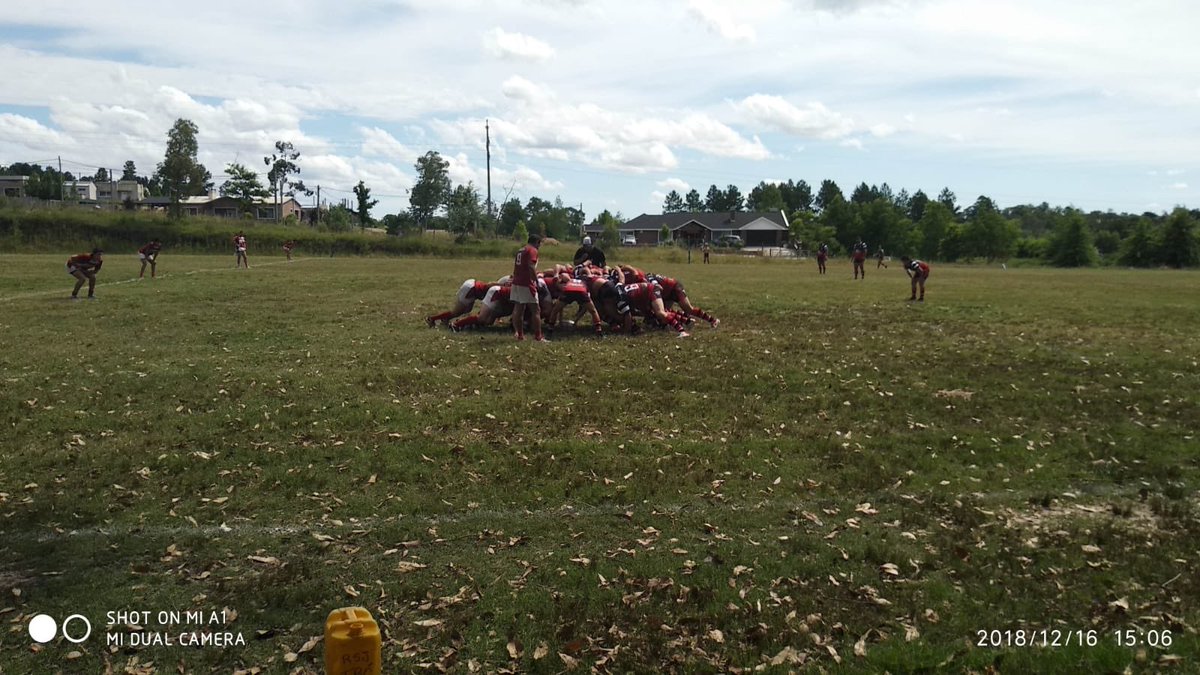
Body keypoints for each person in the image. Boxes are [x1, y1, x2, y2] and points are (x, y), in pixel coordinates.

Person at [511, 234, 546, 341]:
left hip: (516, 281)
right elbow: (531, 266)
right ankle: (538, 337)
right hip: (526, 283)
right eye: (539, 243)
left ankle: (520, 335)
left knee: (519, 309)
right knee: (536, 310)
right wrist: (536, 281)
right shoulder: (532, 250)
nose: (539, 246)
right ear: (537, 242)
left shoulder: (521, 250)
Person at [649, 274, 719, 328]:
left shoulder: (645, 279)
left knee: (688, 309)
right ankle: (686, 321)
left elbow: (656, 286)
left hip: (674, 288)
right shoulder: (646, 278)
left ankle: (712, 320)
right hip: (665, 292)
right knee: (664, 313)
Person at [428, 279, 498, 327]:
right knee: (456, 312)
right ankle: (432, 319)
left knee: (468, 310)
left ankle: (446, 319)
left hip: (472, 284)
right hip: (471, 289)